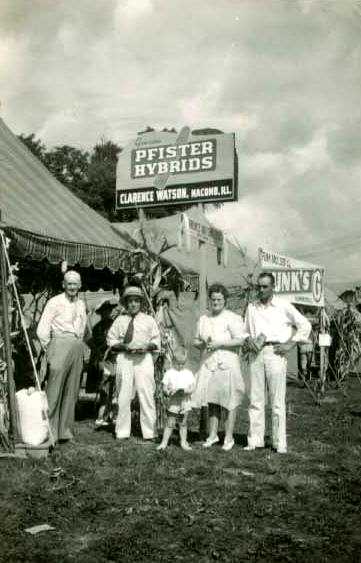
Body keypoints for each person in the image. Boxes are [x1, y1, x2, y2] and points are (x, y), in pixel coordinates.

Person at [244, 272, 311, 454]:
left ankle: (279, 442)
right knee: (256, 398)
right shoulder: (252, 307)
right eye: (259, 286)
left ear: (273, 287)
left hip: (276, 352)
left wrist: (290, 344)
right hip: (256, 354)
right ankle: (255, 440)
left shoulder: (283, 305)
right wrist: (248, 339)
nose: (261, 290)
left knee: (277, 400)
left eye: (265, 286)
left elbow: (305, 324)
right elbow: (245, 331)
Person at [192, 283, 247, 451]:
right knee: (212, 400)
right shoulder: (204, 319)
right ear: (209, 300)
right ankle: (213, 434)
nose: (216, 302)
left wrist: (219, 344)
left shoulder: (232, 318)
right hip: (209, 363)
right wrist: (202, 343)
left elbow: (240, 340)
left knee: (229, 401)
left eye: (219, 299)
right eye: (213, 299)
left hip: (227, 363)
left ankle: (229, 437)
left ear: (225, 301)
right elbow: (195, 340)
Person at [36, 270, 87, 443]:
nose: (72, 287)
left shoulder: (81, 304)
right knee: (54, 390)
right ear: (63, 285)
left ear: (80, 285)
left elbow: (83, 327)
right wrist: (50, 348)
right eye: (69, 283)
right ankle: (49, 433)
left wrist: (78, 344)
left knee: (71, 391)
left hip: (76, 345)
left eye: (75, 284)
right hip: (58, 343)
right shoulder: (54, 302)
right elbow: (42, 329)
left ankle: (65, 432)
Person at [107, 285, 161, 442]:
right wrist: (123, 346)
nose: (133, 304)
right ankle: (122, 431)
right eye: (130, 301)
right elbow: (111, 339)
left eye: (136, 301)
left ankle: (150, 432)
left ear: (141, 303)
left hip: (144, 359)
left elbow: (156, 340)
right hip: (125, 358)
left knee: (146, 393)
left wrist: (147, 347)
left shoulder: (149, 320)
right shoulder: (120, 320)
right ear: (125, 303)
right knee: (123, 394)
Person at [157, 346, 195, 451]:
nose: (180, 366)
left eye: (182, 363)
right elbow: (164, 387)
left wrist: (186, 390)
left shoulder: (188, 373)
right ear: (173, 361)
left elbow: (192, 387)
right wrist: (167, 391)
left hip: (185, 402)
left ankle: (183, 442)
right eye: (178, 363)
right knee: (170, 423)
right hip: (173, 402)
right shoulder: (169, 373)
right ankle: (164, 443)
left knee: (183, 423)